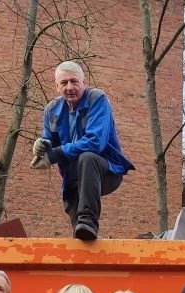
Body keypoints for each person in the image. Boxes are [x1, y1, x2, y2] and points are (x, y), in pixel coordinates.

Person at [32, 60, 135, 241]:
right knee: (81, 236)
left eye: (74, 81)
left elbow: (95, 142)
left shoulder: (97, 99)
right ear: (57, 87)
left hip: (106, 171)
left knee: (87, 157)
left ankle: (89, 220)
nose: (69, 87)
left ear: (84, 83)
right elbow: (50, 141)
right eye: (64, 83)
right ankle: (84, 234)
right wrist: (41, 145)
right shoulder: (51, 110)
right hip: (74, 177)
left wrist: (55, 154)